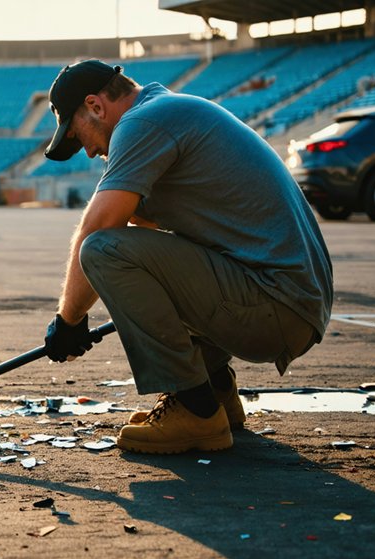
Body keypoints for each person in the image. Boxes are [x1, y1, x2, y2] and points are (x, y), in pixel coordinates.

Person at [41, 59, 333, 454]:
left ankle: (196, 411)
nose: (90, 152)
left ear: (96, 106)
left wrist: (69, 320)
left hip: (277, 305)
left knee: (102, 250)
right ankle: (215, 393)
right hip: (290, 300)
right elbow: (151, 250)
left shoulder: (141, 123)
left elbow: (99, 232)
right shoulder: (167, 111)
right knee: (129, 257)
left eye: (79, 136)